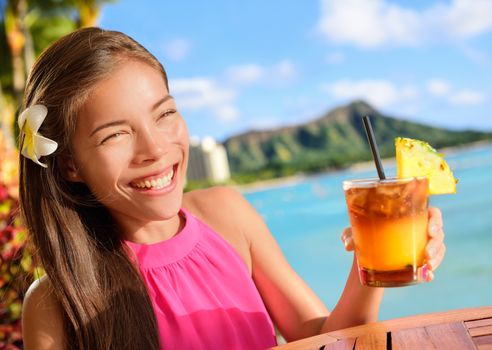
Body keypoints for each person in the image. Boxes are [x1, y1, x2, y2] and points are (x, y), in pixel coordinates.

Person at [19, 27, 446, 350]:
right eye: (115, 135)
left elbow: (324, 339)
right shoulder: (56, 304)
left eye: (164, 113)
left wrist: (372, 264)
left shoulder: (227, 214)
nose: (155, 147)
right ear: (70, 164)